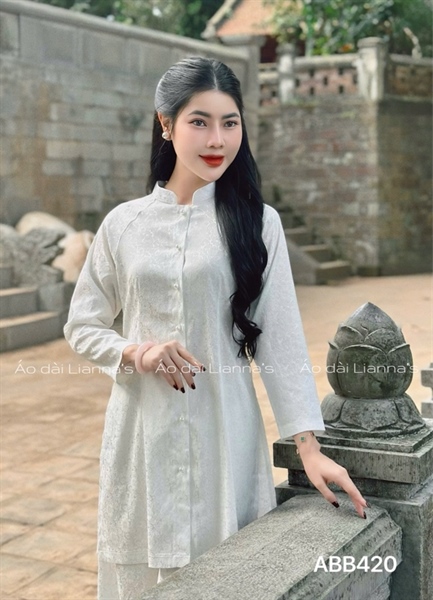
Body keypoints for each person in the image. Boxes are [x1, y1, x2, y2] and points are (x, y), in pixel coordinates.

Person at [64, 57, 368, 600]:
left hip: (225, 434)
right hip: (140, 434)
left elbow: (279, 338)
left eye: (230, 123)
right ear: (166, 124)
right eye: (199, 122)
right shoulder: (123, 224)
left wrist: (308, 445)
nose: (217, 140)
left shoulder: (258, 223)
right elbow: (83, 324)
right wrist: (136, 353)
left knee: (227, 574)